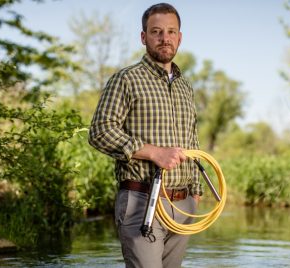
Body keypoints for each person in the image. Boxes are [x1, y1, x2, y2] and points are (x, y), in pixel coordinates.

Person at [88, 3, 202, 267]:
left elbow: (192, 142)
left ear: (180, 38)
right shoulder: (126, 79)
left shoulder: (186, 87)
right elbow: (99, 131)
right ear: (143, 37)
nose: (165, 38)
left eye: (171, 32)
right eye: (156, 32)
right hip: (140, 201)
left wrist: (194, 195)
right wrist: (153, 152)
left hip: (183, 205)